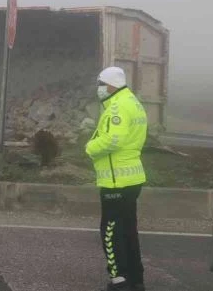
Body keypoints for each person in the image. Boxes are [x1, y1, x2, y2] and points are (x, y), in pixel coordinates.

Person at [86, 66, 147, 291]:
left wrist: (90, 147)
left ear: (111, 85)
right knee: (128, 229)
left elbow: (113, 140)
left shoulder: (117, 108)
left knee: (111, 231)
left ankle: (118, 279)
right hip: (132, 178)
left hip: (116, 181)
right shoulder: (133, 102)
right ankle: (136, 278)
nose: (99, 89)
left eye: (101, 84)